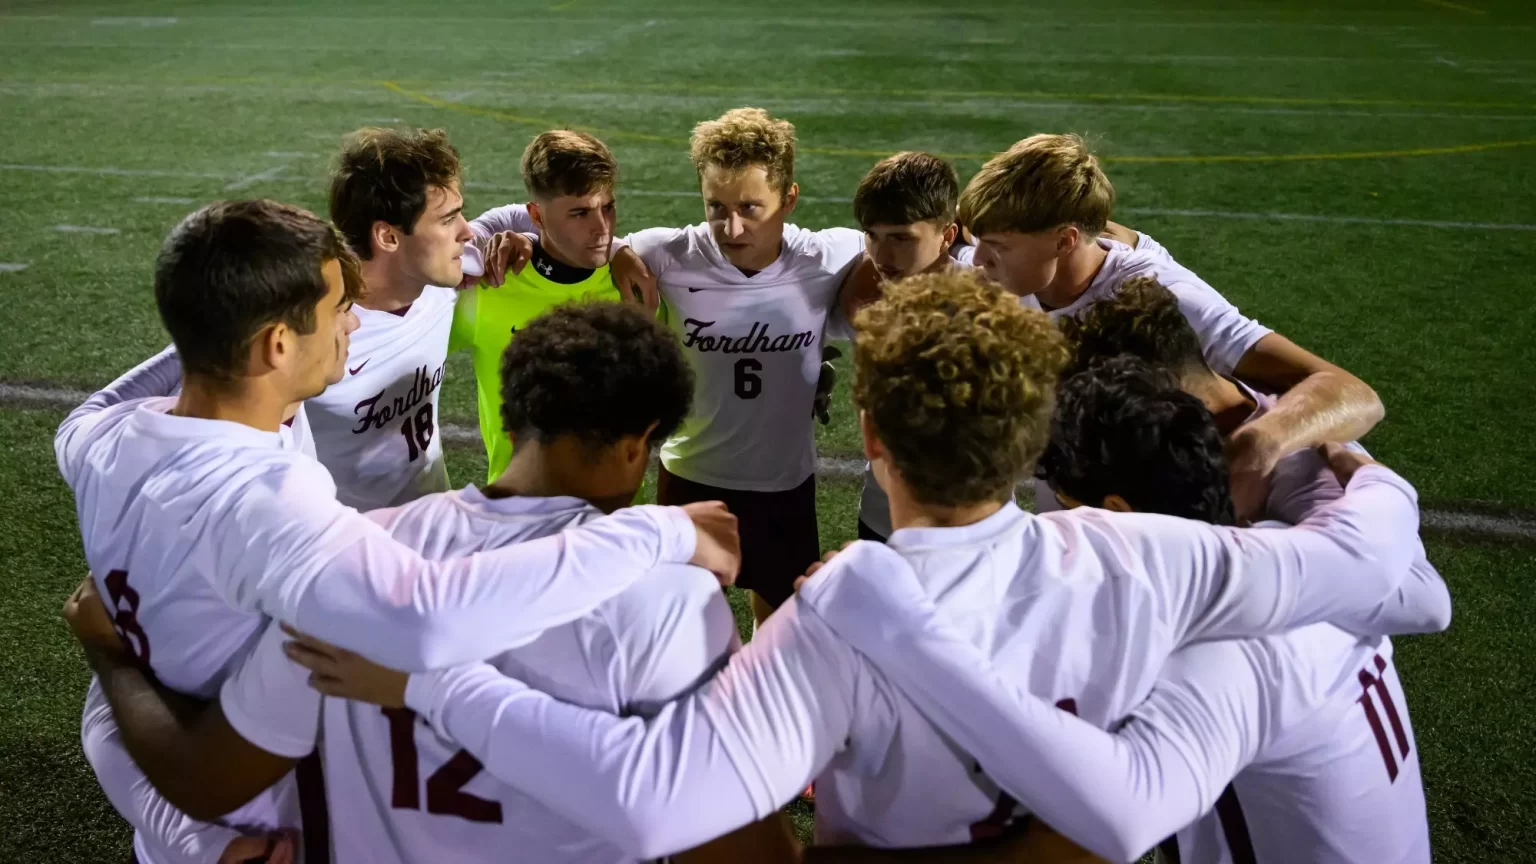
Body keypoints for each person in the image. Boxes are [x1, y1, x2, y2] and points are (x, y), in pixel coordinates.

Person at [276, 270, 1431, 860]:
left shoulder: (833, 619)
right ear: (1033, 442)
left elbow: (645, 802)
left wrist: (433, 682)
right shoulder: (1161, 558)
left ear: (867, 436)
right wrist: (1335, 462)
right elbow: (1383, 579)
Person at [66, 303, 794, 864]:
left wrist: (114, 662)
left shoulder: (355, 552)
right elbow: (737, 847)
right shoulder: (668, 601)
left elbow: (211, 769)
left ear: (514, 416)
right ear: (640, 444)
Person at [800, 357, 1439, 863]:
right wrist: (1366, 470)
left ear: (1118, 516)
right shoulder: (1295, 563)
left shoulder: (1216, 653)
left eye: (1067, 509)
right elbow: (1422, 594)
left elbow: (1110, 825)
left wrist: (900, 632)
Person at [959, 133, 1384, 519]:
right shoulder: (1023, 267)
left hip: (1243, 502)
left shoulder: (1159, 296)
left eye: (996, 248)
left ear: (1065, 240)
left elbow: (1353, 392)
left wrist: (1257, 446)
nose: (980, 262)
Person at [623, 107, 867, 624]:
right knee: (681, 619)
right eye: (716, 207)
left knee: (781, 622)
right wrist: (613, 252)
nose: (731, 227)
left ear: (790, 199)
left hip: (784, 482)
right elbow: (575, 247)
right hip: (691, 475)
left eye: (751, 208)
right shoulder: (663, 255)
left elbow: (936, 240)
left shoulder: (831, 257)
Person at [311, 127, 471, 509]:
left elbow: (524, 225)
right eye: (448, 220)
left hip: (432, 535)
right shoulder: (313, 328)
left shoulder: (441, 277)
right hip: (351, 552)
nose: (466, 231)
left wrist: (624, 252)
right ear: (388, 237)